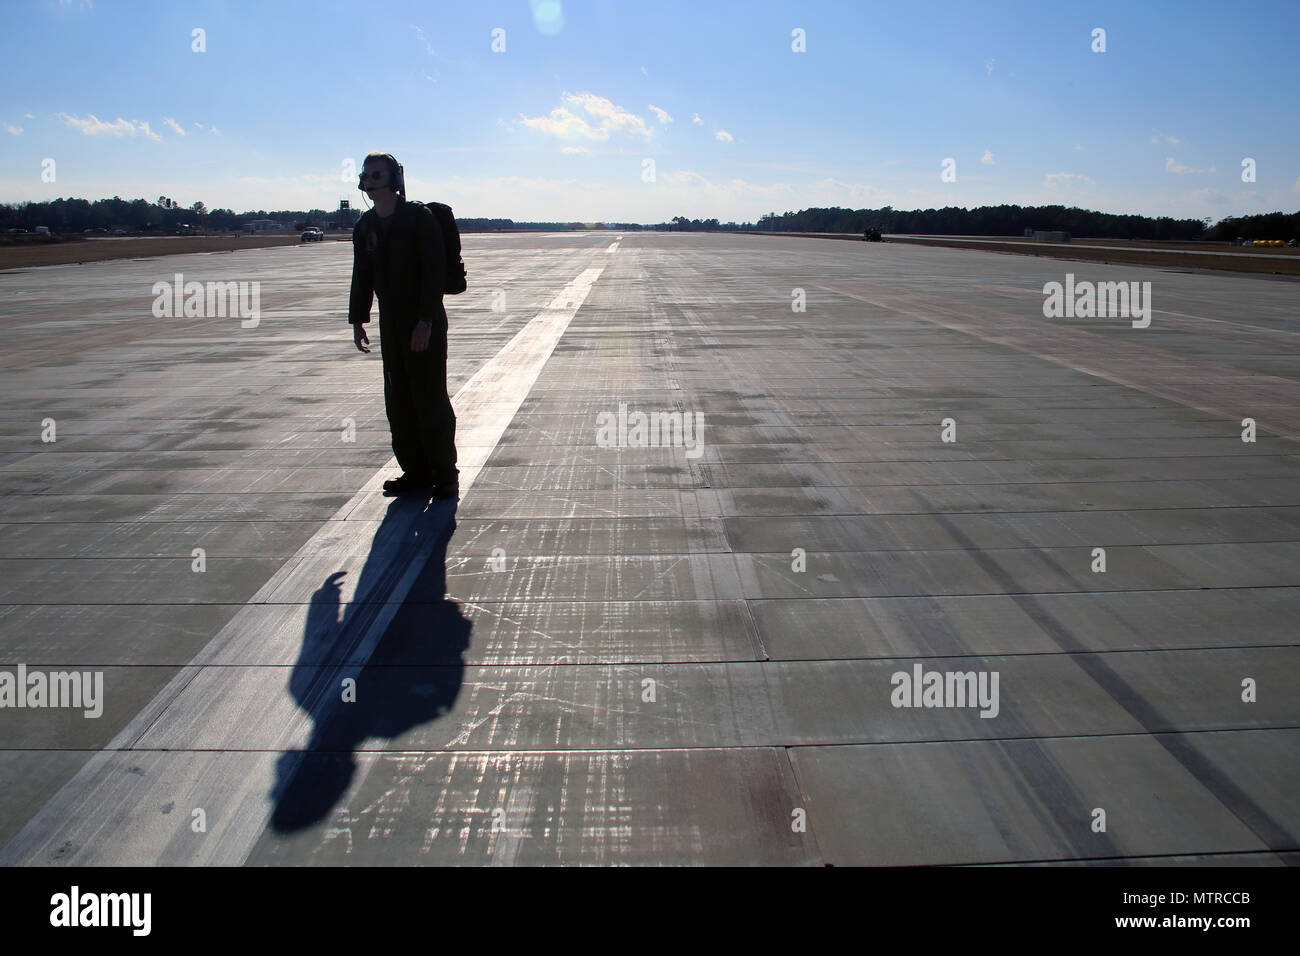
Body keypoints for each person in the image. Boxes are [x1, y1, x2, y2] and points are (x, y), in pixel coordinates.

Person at [348, 152, 459, 499]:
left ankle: (444, 474)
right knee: (398, 400)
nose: (370, 180)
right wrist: (358, 320)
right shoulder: (365, 227)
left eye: (377, 174)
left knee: (429, 398)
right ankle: (415, 472)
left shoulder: (418, 218)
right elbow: (361, 276)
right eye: (366, 174)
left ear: (393, 178)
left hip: (423, 321)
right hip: (391, 324)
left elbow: (433, 271)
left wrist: (426, 319)